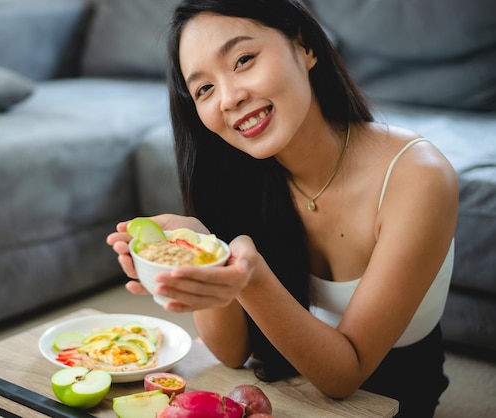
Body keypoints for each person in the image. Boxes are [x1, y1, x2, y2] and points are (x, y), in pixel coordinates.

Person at [107, 0, 458, 416]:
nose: (229, 98)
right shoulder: (239, 174)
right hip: (285, 378)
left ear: (305, 46)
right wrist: (203, 255)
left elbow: (345, 376)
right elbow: (230, 353)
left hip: (389, 393)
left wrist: (250, 280)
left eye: (243, 59)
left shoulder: (418, 175)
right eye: (204, 89)